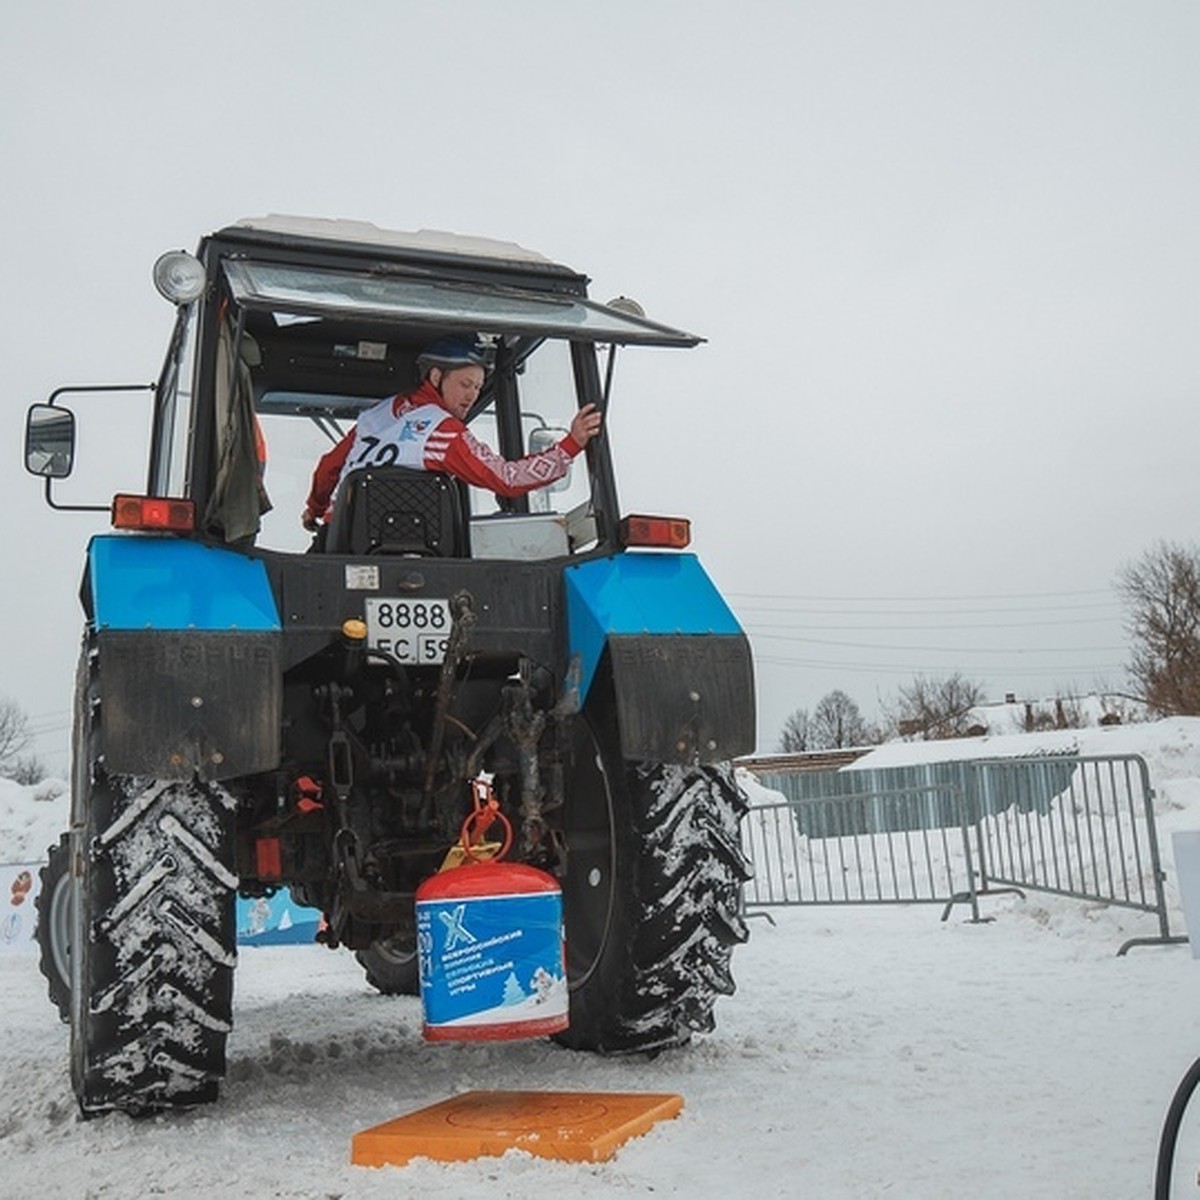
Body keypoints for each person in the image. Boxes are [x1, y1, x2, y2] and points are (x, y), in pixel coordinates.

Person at [301, 335, 602, 532]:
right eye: (465, 384)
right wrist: (571, 445)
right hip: (414, 549)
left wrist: (315, 509)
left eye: (478, 386)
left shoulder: (377, 415)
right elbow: (507, 478)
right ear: (435, 376)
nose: (472, 395)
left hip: (338, 540)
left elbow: (329, 467)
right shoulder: (442, 432)